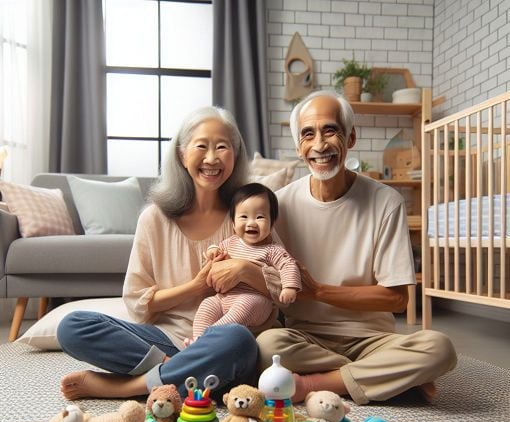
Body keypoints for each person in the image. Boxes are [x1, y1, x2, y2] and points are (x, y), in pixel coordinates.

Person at [57, 106, 272, 402]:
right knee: (72, 326)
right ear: (182, 155)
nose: (211, 158)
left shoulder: (249, 217)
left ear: (235, 156)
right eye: (201, 146)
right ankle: (174, 374)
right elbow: (137, 302)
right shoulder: (155, 218)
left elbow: (281, 289)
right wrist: (196, 286)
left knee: (239, 340)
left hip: (222, 346)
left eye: (222, 147)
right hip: (165, 342)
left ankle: (126, 388)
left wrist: (245, 271)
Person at [257, 90, 457, 405]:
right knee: (267, 345)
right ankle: (385, 378)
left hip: (373, 340)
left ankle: (313, 385)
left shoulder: (385, 201)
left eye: (330, 130)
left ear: (351, 138)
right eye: (308, 134)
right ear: (299, 147)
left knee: (440, 349)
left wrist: (319, 291)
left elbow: (397, 298)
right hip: (305, 338)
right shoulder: (279, 205)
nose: (320, 145)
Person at [188, 182, 301, 343]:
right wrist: (212, 251)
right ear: (233, 223)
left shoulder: (272, 250)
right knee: (207, 304)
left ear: (272, 223)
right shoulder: (230, 243)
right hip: (224, 299)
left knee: (246, 304)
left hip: (257, 302)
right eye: (244, 217)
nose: (251, 223)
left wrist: (290, 287)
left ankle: (207, 340)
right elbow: (215, 254)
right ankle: (198, 341)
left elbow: (288, 265)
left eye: (260, 217)